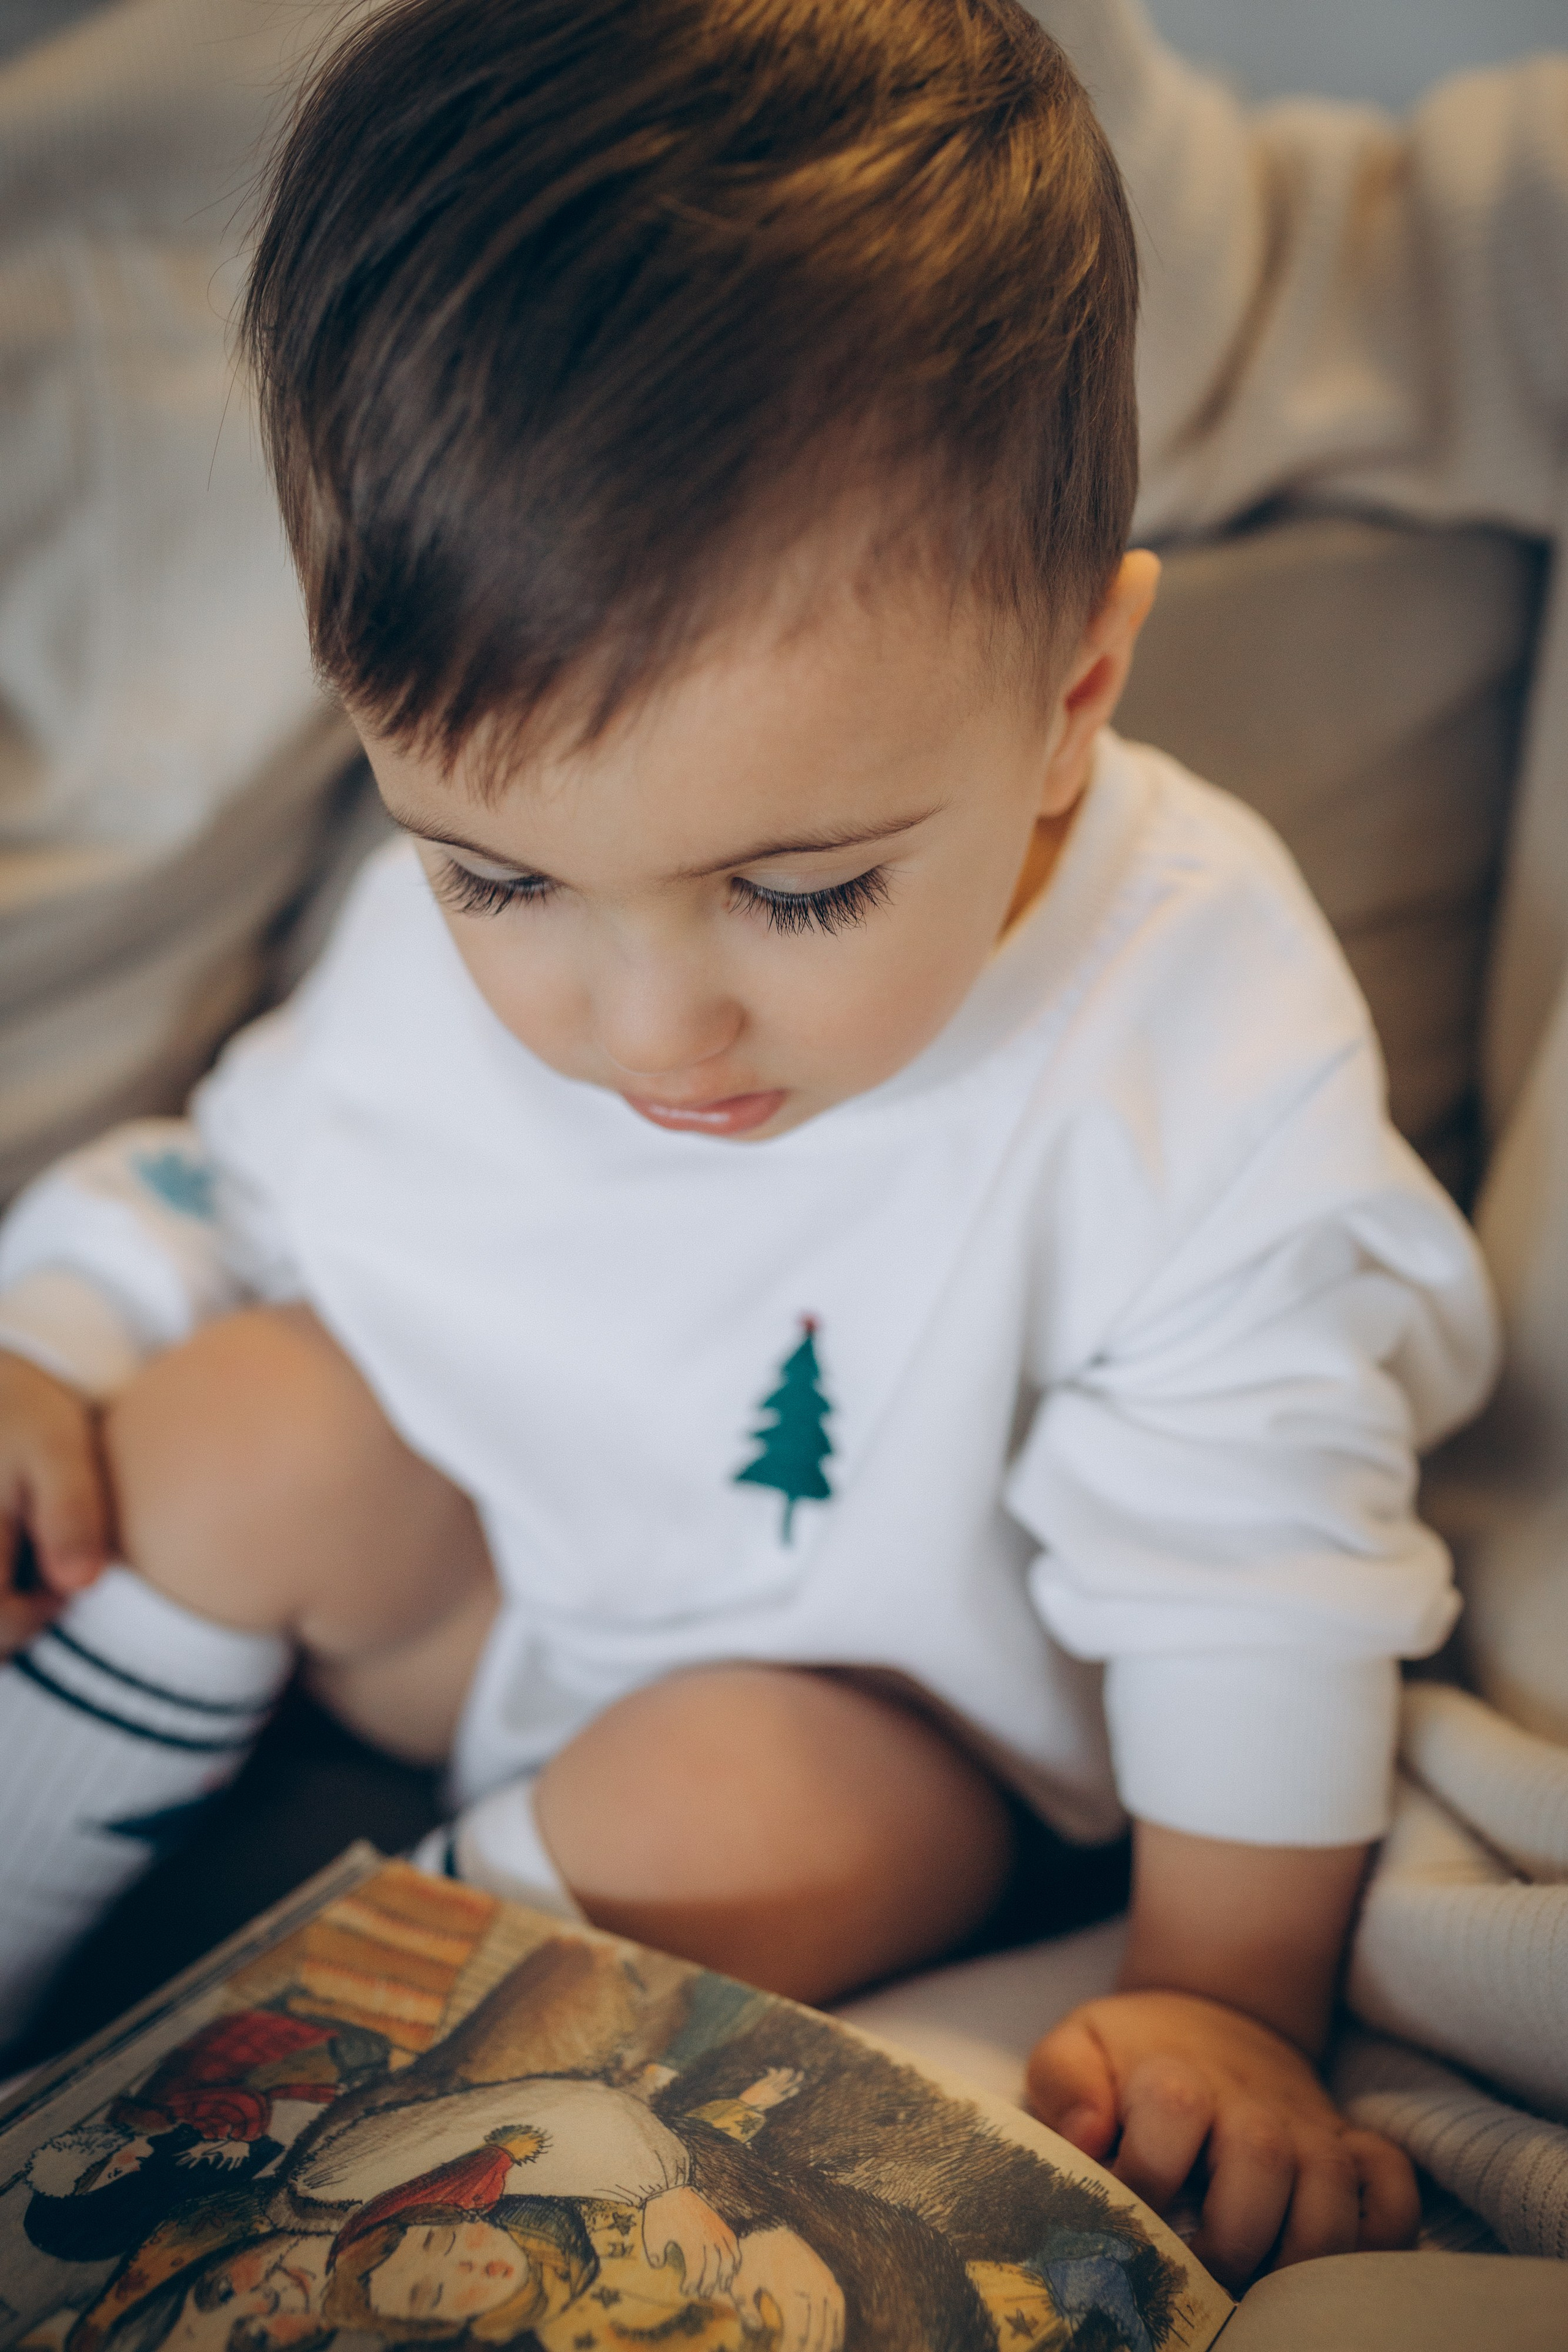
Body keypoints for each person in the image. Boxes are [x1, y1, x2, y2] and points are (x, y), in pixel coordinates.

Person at [0, 0, 1498, 2292]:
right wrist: (54, 1335)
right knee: (224, 1433)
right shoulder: (483, 921)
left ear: (1074, 702)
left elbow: (1257, 1555)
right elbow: (251, 1170)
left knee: (735, 1789)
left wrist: (1223, 1990)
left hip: (884, 1724)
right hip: (498, 1582)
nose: (639, 1019)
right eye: (494, 879)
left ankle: (325, 2135)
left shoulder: (1198, 1022)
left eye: (799, 893)